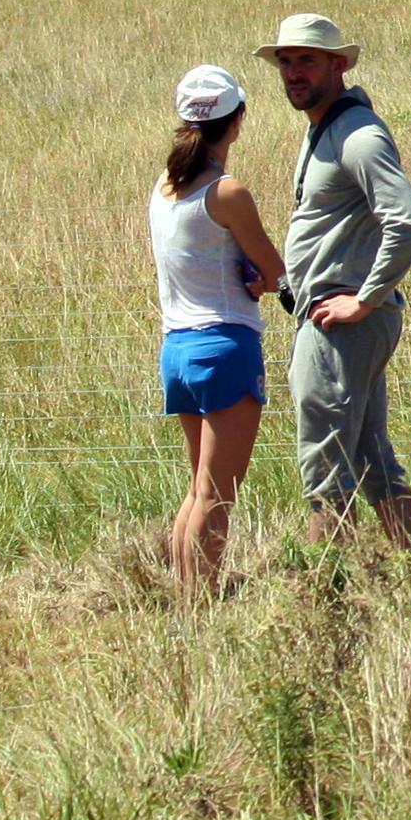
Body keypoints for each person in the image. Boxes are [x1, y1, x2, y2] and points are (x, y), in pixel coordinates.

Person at [257, 13, 411, 551]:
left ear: (338, 64)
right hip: (343, 320)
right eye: (285, 62)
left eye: (306, 60)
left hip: (340, 325)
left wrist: (364, 300)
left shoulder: (357, 135)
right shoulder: (328, 128)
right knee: (372, 459)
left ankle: (327, 598)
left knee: (325, 469)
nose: (292, 73)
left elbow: (408, 222)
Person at [153, 64, 283, 592]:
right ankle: (199, 607)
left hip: (178, 349)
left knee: (197, 491)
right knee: (216, 495)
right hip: (225, 346)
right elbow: (274, 272)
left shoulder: (163, 187)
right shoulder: (228, 193)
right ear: (238, 119)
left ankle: (187, 602)